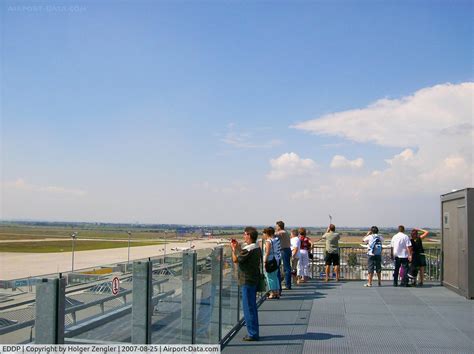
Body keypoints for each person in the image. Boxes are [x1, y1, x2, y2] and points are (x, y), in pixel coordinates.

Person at [231, 226, 262, 341]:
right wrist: (238, 248)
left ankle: (252, 333)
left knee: (248, 308)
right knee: (252, 307)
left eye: (245, 234)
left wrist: (234, 249)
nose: (243, 236)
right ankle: (253, 332)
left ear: (249, 235)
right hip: (253, 279)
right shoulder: (256, 247)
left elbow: (236, 259)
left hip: (247, 280)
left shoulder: (249, 249)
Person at [262, 227, 281, 299]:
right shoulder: (277, 239)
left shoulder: (268, 241)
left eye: (264, 233)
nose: (263, 235)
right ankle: (277, 292)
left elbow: (267, 252)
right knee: (275, 277)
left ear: (267, 233)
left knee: (269, 277)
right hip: (277, 259)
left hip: (270, 260)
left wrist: (264, 261)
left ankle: (272, 293)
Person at [275, 221, 292, 291]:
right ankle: (287, 284)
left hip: (284, 250)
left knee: (286, 268)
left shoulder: (281, 232)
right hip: (286, 249)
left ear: (279, 226)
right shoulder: (285, 232)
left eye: (276, 226)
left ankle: (287, 285)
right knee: (287, 268)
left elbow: (272, 236)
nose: (275, 227)